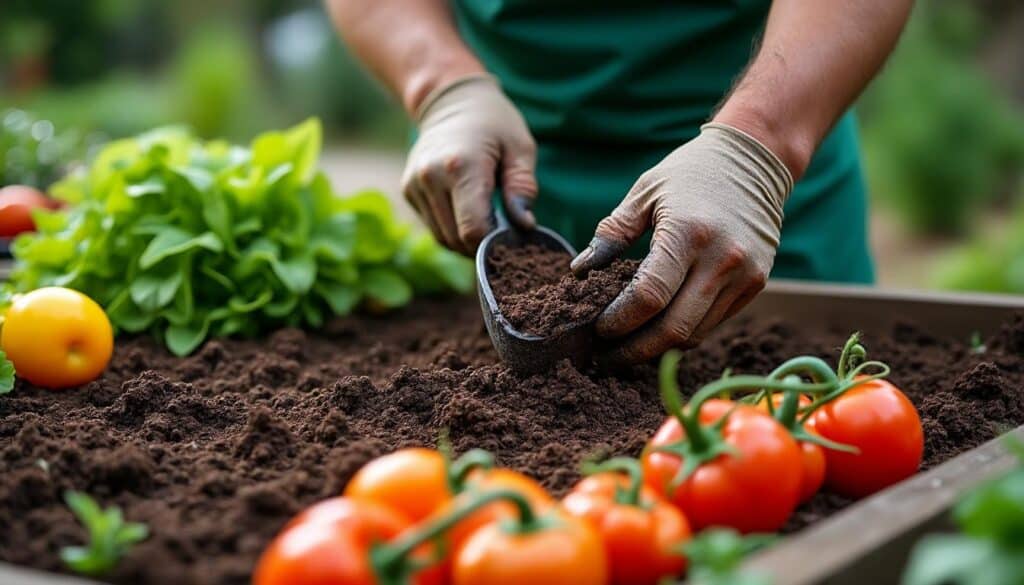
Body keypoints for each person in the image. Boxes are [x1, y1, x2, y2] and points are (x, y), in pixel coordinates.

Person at [326, 0, 914, 365]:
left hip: (753, 179)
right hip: (501, 149)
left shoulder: (756, 155)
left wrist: (759, 145)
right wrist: (441, 86)